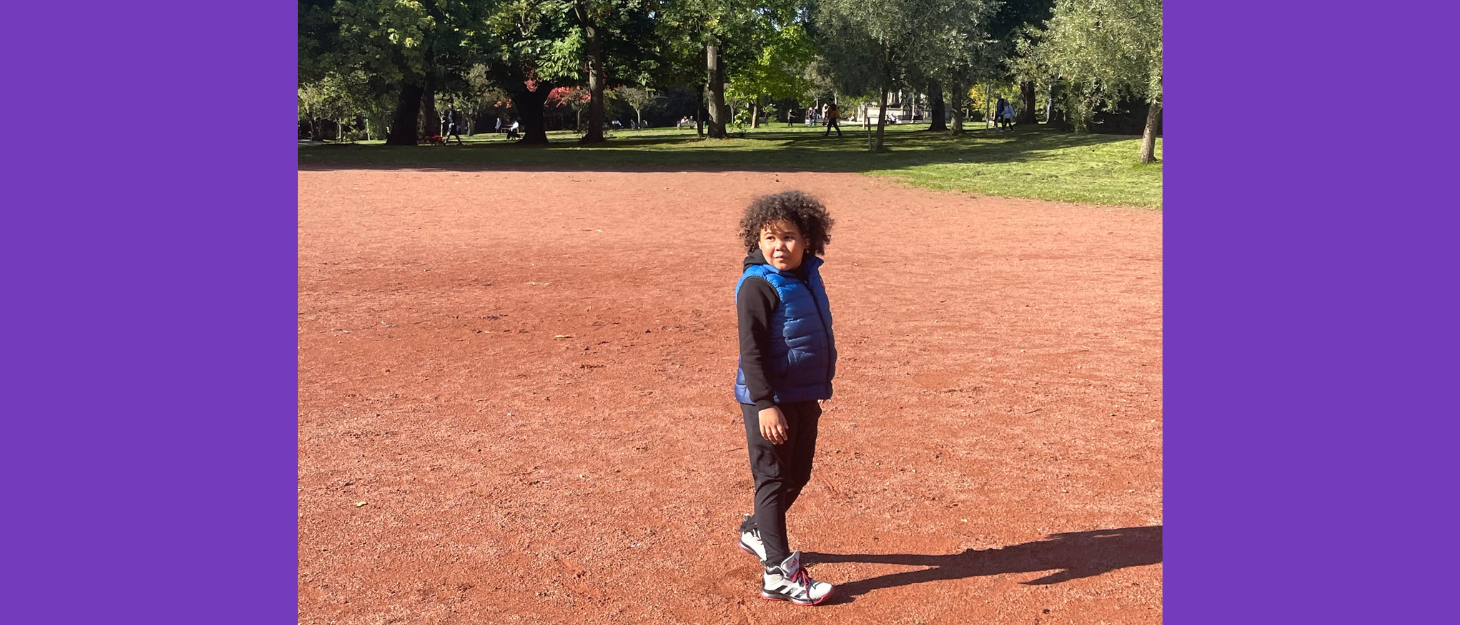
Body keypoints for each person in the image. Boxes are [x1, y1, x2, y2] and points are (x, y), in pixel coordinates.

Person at [732, 190, 838, 606]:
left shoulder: (806, 275)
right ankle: (778, 572)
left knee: (799, 473)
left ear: (808, 240)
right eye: (770, 238)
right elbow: (751, 350)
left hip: (803, 394)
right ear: (756, 241)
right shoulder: (757, 286)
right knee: (773, 479)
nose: (780, 246)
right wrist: (764, 403)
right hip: (769, 400)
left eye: (790, 237)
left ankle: (757, 530)